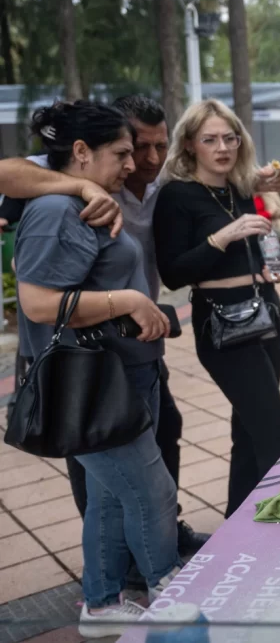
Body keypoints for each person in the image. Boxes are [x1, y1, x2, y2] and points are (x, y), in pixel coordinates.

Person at [0, 95, 215, 560]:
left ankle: (108, 594)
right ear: (83, 151)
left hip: (132, 356)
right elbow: (38, 303)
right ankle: (150, 578)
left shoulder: (152, 183)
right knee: (130, 485)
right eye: (132, 149)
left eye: (159, 147)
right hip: (92, 366)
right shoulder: (58, 196)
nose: (145, 161)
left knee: (126, 480)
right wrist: (82, 190)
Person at [14, 100, 180, 637]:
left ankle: (102, 606)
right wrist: (128, 300)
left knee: (109, 499)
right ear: (80, 153)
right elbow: (39, 303)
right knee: (152, 492)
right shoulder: (55, 210)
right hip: (93, 384)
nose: (132, 164)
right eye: (121, 153)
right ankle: (174, 603)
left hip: (124, 373)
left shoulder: (84, 201)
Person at [154, 99, 280, 518]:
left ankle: (240, 523)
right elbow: (173, 273)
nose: (222, 147)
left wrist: (267, 267)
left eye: (230, 137)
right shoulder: (176, 196)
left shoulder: (236, 189)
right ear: (190, 145)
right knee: (275, 430)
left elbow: (251, 233)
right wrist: (223, 237)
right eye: (210, 139)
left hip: (265, 307)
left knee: (249, 430)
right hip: (220, 319)